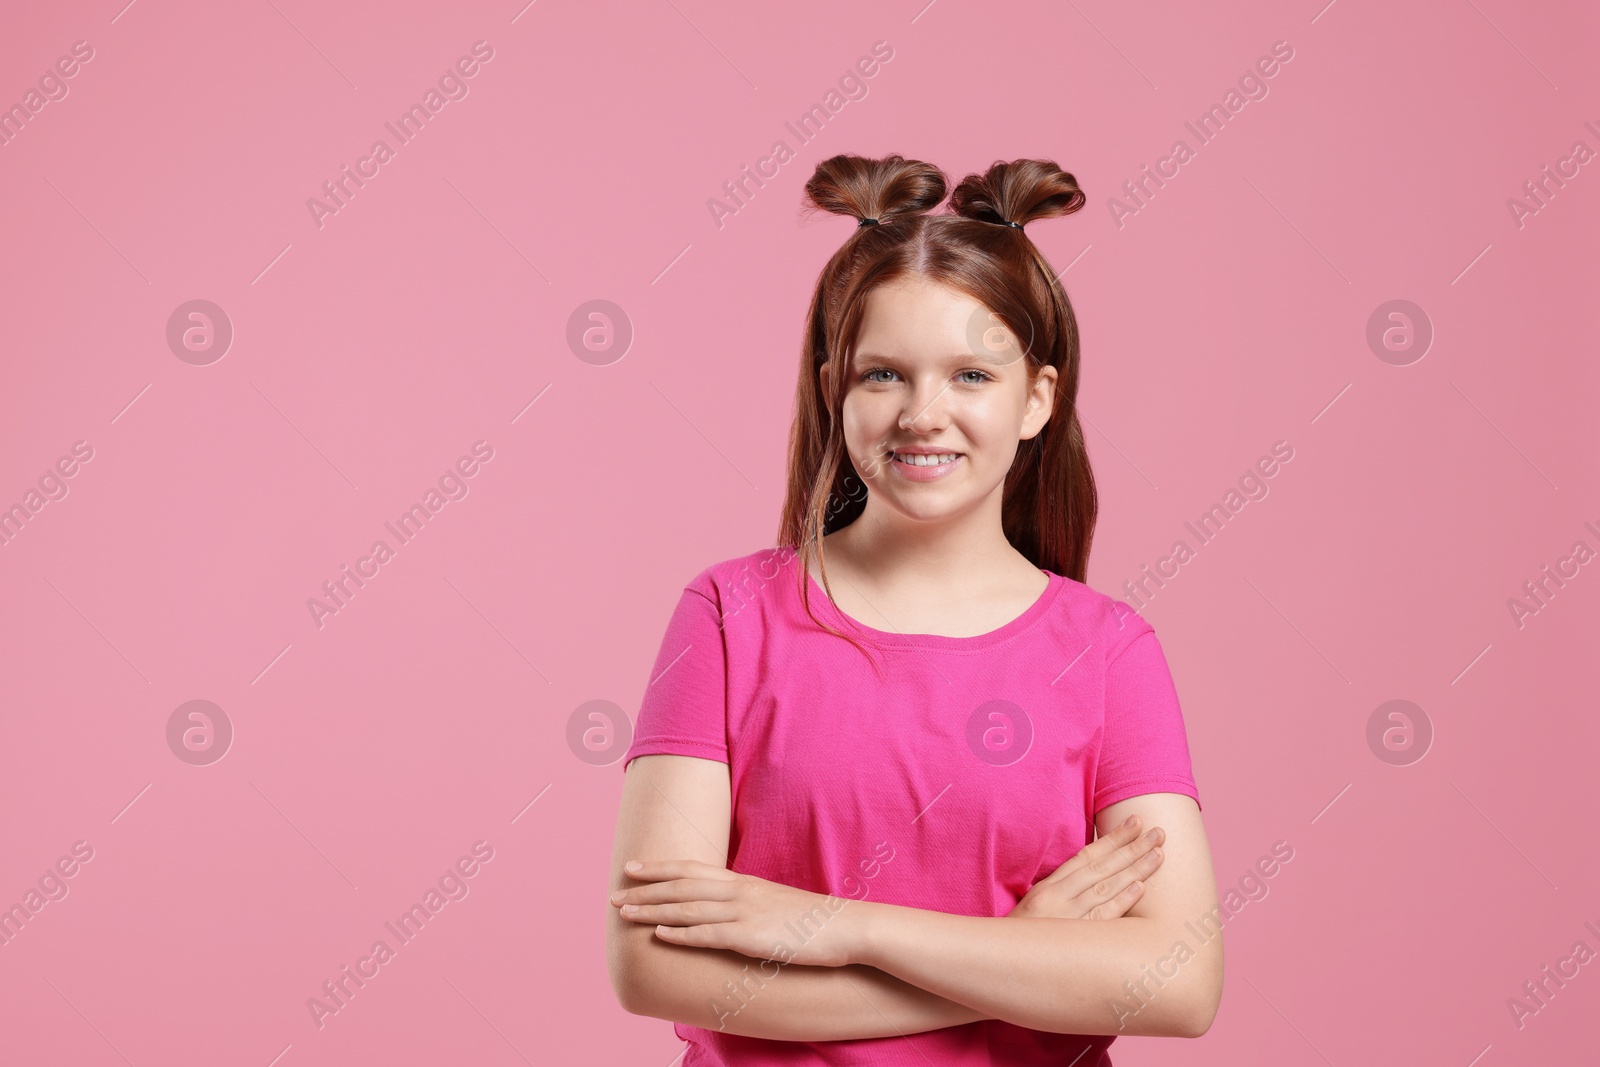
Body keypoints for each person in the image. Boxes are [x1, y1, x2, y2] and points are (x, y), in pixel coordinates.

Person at [606, 153, 1223, 1065]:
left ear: (1037, 399)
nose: (922, 414)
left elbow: (1178, 982)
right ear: (833, 391)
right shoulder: (729, 615)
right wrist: (1023, 947)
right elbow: (652, 967)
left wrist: (842, 927)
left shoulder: (1108, 652)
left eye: (972, 376)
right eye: (883, 374)